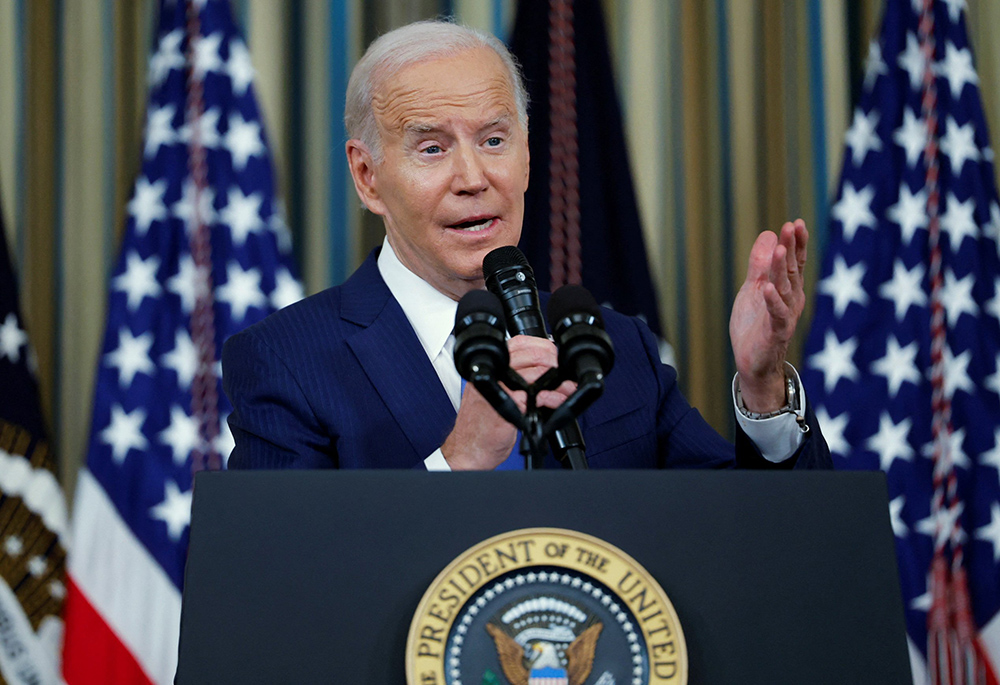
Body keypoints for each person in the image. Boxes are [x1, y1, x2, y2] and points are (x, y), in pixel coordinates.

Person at [222, 20, 830, 471]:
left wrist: (762, 387)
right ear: (367, 176)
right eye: (432, 148)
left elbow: (750, 544)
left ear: (528, 153)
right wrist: (462, 459)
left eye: (493, 140)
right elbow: (286, 589)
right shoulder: (286, 363)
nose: (472, 178)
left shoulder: (616, 347)